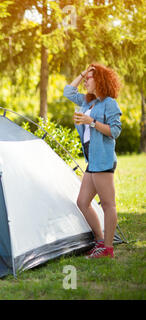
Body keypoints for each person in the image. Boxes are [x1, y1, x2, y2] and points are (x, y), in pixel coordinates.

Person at [64, 63, 122, 259]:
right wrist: (82, 73)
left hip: (103, 160)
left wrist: (92, 123)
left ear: (99, 80)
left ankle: (108, 249)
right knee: (82, 202)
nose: (85, 82)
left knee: (108, 205)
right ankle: (99, 241)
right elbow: (68, 91)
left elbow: (114, 131)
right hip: (92, 160)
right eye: (86, 78)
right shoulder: (88, 102)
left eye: (89, 79)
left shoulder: (109, 103)